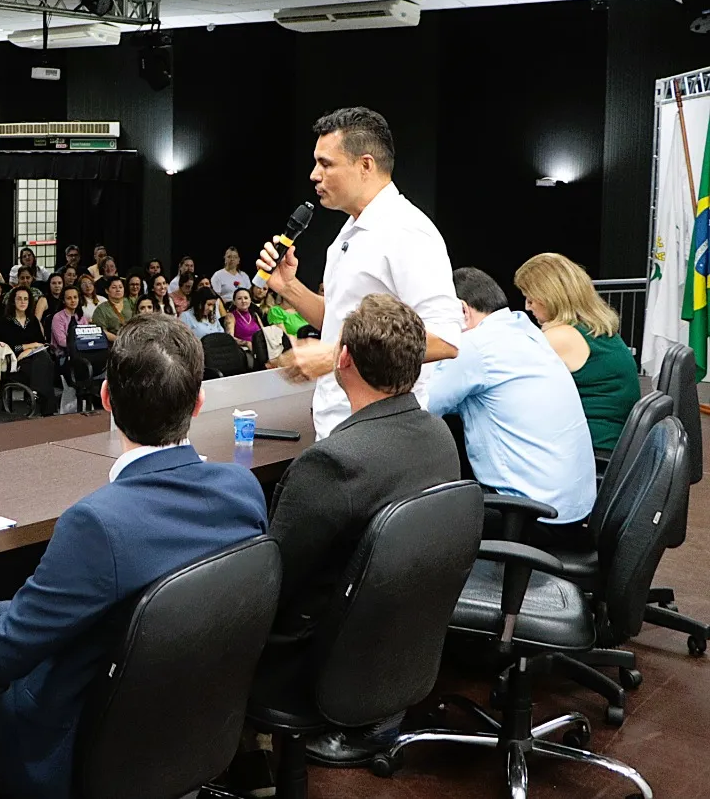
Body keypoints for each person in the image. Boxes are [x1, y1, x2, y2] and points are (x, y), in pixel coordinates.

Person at [0, 315, 268, 799]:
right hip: (194, 722)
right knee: (1, 612)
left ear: (105, 398)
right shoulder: (243, 489)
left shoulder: (98, 523)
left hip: (85, 750)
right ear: (199, 400)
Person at [253, 294, 462, 771]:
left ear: (342, 359)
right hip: (397, 642)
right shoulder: (439, 437)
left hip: (315, 663)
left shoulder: (332, 463)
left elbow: (274, 581)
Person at [259, 107, 461, 440]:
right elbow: (339, 321)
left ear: (365, 165)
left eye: (326, 163)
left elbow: (446, 339)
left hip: (383, 435)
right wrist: (290, 287)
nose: (313, 175)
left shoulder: (407, 231)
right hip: (340, 427)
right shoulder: (350, 230)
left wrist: (335, 354)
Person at [425, 268, 595, 546]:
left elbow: (424, 406)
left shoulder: (474, 346)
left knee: (412, 518)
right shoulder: (524, 330)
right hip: (570, 511)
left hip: (530, 518)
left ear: (463, 312)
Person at [514, 252, 641, 455]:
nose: (527, 306)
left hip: (592, 449)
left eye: (530, 298)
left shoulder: (561, 336)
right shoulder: (595, 328)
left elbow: (509, 376)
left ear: (550, 296)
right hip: (615, 444)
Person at [0, 286, 56, 414]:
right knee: (45, 364)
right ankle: (45, 407)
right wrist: (26, 347)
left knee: (42, 359)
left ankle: (35, 394)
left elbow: (41, 343)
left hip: (32, 358)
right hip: (13, 362)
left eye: (26, 299)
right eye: (19, 299)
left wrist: (27, 351)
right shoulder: (1, 322)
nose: (23, 302)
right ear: (13, 301)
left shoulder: (33, 321)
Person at [49, 286, 91, 358]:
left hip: (82, 351)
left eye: (75, 297)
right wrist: (81, 344)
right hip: (63, 355)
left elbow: (87, 336)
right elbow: (61, 342)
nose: (73, 300)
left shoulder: (82, 317)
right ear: (63, 300)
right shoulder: (58, 317)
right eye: (69, 298)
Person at [91, 276, 133, 342]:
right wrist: (119, 340)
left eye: (120, 287)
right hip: (112, 345)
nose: (118, 290)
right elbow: (101, 331)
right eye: (114, 287)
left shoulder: (131, 303)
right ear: (107, 291)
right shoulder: (101, 309)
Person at [225, 285, 265, 351]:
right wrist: (246, 343)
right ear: (234, 302)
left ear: (250, 300)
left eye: (246, 298)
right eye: (239, 298)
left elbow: (264, 332)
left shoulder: (254, 314)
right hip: (243, 350)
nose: (243, 301)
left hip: (260, 348)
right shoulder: (230, 316)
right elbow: (229, 338)